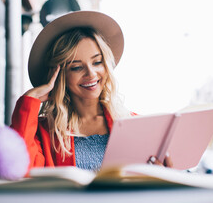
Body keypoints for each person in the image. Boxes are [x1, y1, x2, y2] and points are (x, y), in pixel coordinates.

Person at [11, 11, 172, 173]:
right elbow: (20, 170)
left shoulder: (136, 125)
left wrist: (161, 175)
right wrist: (30, 99)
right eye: (76, 67)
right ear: (60, 76)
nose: (91, 74)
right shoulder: (43, 132)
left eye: (97, 62)